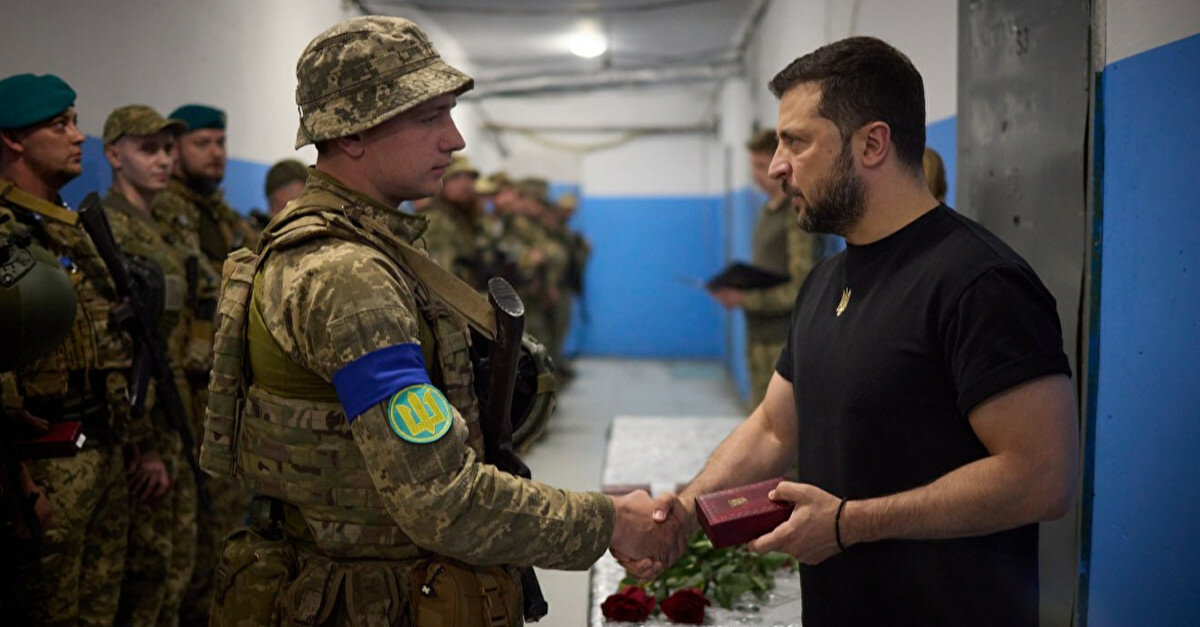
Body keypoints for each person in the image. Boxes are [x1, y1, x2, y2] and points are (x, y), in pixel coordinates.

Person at [204, 16, 685, 625]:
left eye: (449, 115)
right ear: (353, 131)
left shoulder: (367, 246)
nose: (454, 140)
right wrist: (609, 522)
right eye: (430, 117)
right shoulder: (348, 276)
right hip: (366, 602)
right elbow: (440, 498)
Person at [657, 37, 1079, 626]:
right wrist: (684, 510)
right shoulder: (825, 280)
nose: (777, 166)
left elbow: (1041, 477)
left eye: (796, 142)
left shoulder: (979, 282)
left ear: (872, 144)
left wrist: (848, 523)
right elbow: (774, 428)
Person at [0, 73, 133, 625]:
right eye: (60, 125)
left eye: (76, 122)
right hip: (40, 463)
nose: (79, 137)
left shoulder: (70, 228)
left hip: (100, 446)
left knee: (100, 611)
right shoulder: (7, 235)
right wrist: (19, 484)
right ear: (13, 139)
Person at [149, 102, 251, 626]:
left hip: (223, 379)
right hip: (193, 382)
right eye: (202, 144)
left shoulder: (218, 211)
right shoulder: (171, 208)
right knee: (200, 535)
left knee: (226, 521)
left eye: (220, 143)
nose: (215, 153)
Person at [99, 104, 200, 626]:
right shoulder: (107, 229)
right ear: (114, 155)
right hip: (143, 419)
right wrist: (142, 444)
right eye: (147, 149)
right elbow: (121, 348)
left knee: (177, 565)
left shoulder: (161, 226)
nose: (163, 160)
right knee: (149, 570)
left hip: (176, 407)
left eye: (167, 149)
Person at [710, 128, 823, 405]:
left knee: (779, 423)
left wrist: (744, 299)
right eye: (754, 167)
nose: (757, 175)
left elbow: (800, 289)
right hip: (758, 338)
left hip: (782, 342)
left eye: (762, 166)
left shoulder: (795, 216)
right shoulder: (765, 212)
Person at [420, 152, 485, 289]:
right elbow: (441, 281)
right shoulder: (436, 221)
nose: (465, 184)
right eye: (456, 177)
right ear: (441, 182)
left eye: (469, 178)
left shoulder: (462, 218)